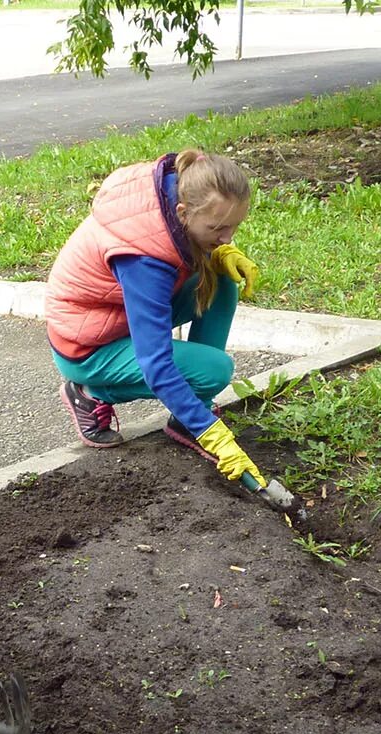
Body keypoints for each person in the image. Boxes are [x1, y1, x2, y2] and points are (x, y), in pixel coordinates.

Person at [45, 148, 269, 487]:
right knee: (214, 370)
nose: (228, 237)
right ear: (182, 212)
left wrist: (215, 252)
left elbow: (190, 261)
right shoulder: (143, 261)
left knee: (222, 280)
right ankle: (89, 393)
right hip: (87, 344)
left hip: (118, 313)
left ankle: (188, 414)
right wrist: (213, 436)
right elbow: (157, 364)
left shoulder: (176, 191)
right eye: (218, 228)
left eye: (234, 226)